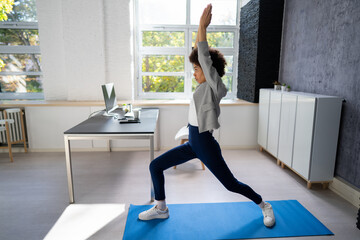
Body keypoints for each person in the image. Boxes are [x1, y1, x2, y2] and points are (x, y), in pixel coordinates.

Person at [138, 4, 275, 228]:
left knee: (231, 184)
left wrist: (202, 27)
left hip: (205, 144)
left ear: (209, 69)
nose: (194, 72)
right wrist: (198, 33)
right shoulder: (203, 87)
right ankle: (161, 208)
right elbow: (198, 53)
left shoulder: (215, 86)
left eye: (197, 68)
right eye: (194, 68)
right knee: (155, 166)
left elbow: (202, 54)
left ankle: (264, 205)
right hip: (193, 142)